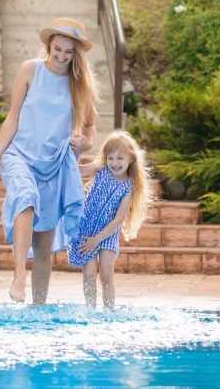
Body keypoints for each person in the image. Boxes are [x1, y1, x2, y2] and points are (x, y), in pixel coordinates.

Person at [0, 18, 99, 304]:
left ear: (77, 54)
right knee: (25, 196)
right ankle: (18, 277)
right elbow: (12, 118)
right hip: (20, 154)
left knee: (43, 245)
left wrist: (84, 142)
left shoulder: (80, 86)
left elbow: (89, 128)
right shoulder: (30, 70)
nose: (61, 56)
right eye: (57, 49)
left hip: (55, 164)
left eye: (68, 52)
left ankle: (38, 310)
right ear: (48, 45)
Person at [67, 130, 152, 309]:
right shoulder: (101, 169)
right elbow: (75, 171)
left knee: (106, 274)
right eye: (110, 158)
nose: (114, 163)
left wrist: (97, 240)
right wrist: (74, 151)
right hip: (87, 229)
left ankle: (108, 312)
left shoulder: (128, 186)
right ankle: (90, 310)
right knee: (89, 273)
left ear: (131, 159)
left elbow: (118, 219)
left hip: (107, 234)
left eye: (120, 158)